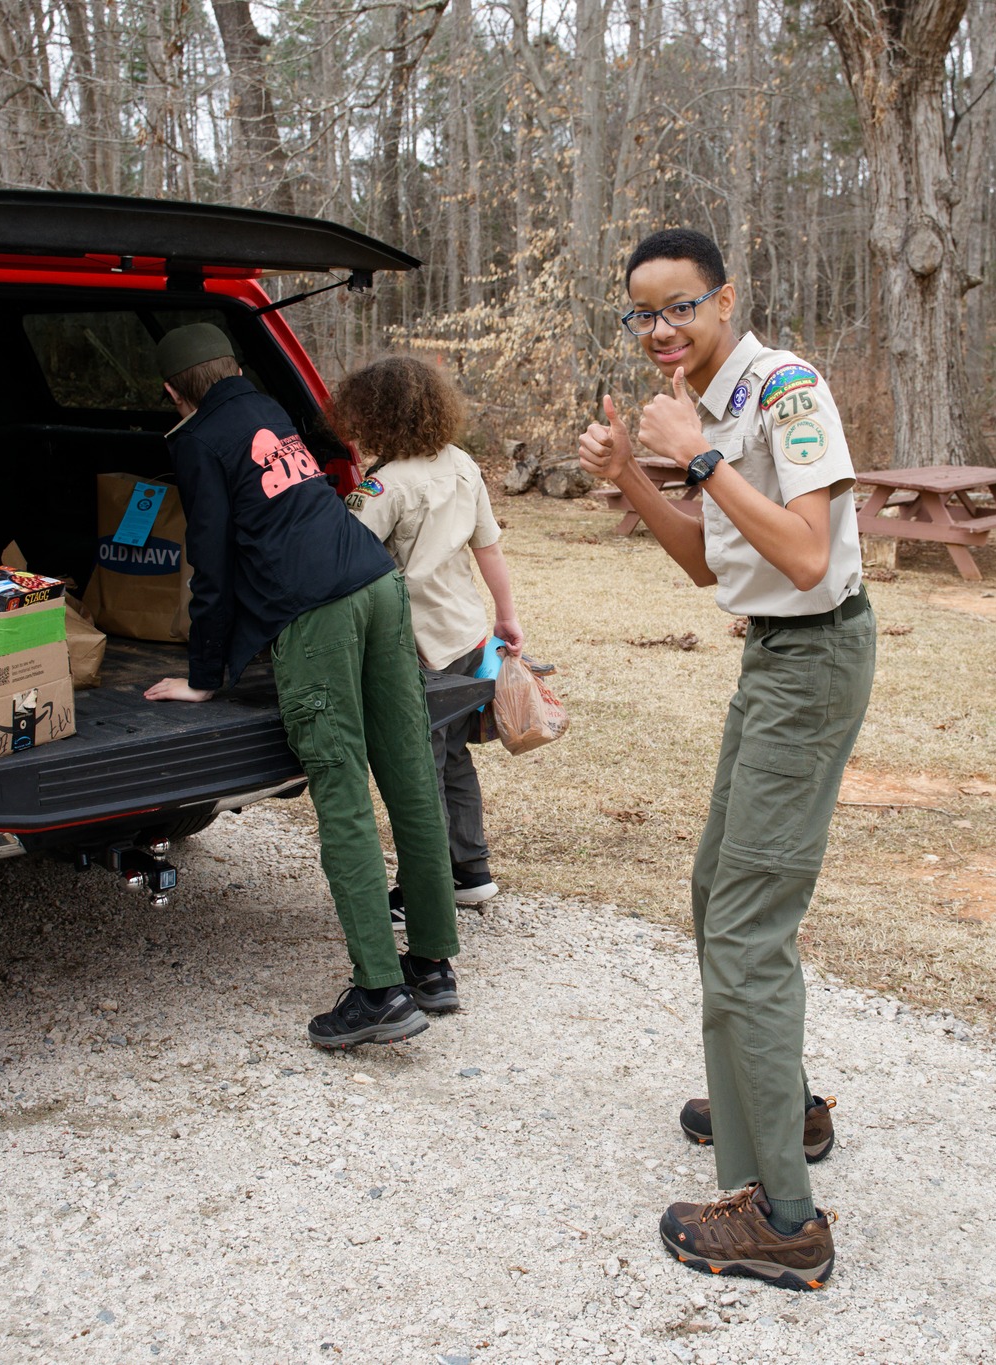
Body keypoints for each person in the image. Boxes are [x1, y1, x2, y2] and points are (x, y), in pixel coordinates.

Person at [576, 229, 873, 1291]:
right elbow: (715, 562)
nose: (659, 331)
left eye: (678, 307)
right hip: (772, 655)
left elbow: (801, 552)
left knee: (747, 922)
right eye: (640, 314)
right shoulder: (715, 402)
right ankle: (776, 1104)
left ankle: (784, 1219)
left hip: (813, 656)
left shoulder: (782, 387)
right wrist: (632, 477)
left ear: (724, 299)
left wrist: (696, 457)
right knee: (719, 892)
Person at [140, 324, 462, 1047]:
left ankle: (379, 991)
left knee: (342, 787)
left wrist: (205, 676)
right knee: (409, 772)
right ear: (231, 367)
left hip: (315, 610)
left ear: (172, 391)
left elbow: (213, 561)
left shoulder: (194, 440)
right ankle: (433, 966)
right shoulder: (270, 410)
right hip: (377, 581)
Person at [327, 356, 523, 914]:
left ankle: (425, 886)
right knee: (454, 756)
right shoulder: (462, 464)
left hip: (417, 649)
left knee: (420, 769)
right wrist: (505, 617)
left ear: (377, 417)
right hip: (465, 637)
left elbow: (346, 557)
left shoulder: (384, 485)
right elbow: (489, 548)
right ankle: (470, 870)